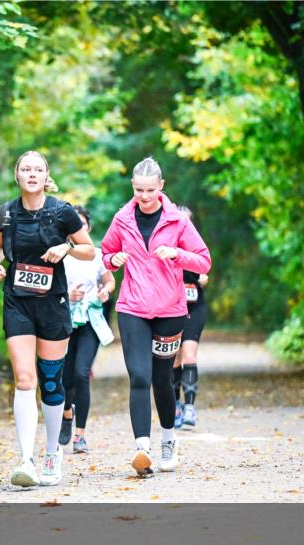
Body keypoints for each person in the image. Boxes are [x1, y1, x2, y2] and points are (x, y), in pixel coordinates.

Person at [0, 151, 96, 487]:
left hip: (53, 301)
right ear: (17, 175)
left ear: (45, 175)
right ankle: (25, 459)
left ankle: (52, 452)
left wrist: (66, 248)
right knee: (24, 378)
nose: (31, 174)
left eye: (37, 169)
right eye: (25, 169)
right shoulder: (5, 213)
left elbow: (89, 250)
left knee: (52, 381)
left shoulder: (62, 212)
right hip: (17, 301)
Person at [100, 157, 211, 476]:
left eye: (150, 190)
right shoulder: (122, 218)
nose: (144, 196)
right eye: (138, 190)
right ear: (132, 188)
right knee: (139, 376)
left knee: (163, 379)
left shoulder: (177, 221)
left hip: (170, 311)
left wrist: (178, 254)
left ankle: (168, 439)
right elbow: (105, 256)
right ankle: (141, 449)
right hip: (133, 307)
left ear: (161, 187)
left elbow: (203, 262)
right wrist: (114, 259)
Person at [58, 205, 116, 454]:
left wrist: (106, 291)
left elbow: (110, 280)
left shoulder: (98, 254)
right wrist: (67, 294)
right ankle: (67, 415)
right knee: (65, 378)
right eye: (73, 227)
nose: (77, 230)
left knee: (82, 374)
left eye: (81, 225)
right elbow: (49, 288)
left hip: (91, 320)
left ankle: (80, 435)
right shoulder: (59, 255)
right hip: (64, 321)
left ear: (88, 229)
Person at [171, 206, 208, 430]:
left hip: (195, 309)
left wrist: (203, 277)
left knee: (189, 355)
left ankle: (190, 408)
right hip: (172, 310)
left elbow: (205, 268)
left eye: (188, 222)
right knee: (174, 359)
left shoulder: (196, 249)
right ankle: (175, 405)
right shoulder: (167, 248)